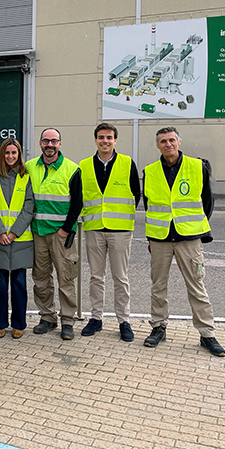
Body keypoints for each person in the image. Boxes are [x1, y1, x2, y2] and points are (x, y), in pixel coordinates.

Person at [142, 126, 225, 357]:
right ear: (157, 145)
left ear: (179, 142)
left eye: (171, 140)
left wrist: (194, 227)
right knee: (158, 286)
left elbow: (207, 202)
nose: (168, 144)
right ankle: (158, 327)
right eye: (163, 141)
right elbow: (149, 205)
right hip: (160, 238)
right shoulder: (149, 171)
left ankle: (207, 334)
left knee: (197, 286)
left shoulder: (198, 167)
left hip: (188, 238)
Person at [78, 123, 141, 342]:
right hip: (94, 228)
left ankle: (124, 321)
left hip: (120, 230)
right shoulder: (84, 166)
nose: (105, 141)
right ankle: (96, 318)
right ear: (95, 139)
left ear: (115, 140)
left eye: (109, 137)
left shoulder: (127, 163)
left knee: (120, 278)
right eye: (101, 137)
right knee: (96, 277)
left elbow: (136, 193)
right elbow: (79, 196)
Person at [25, 128, 82, 341]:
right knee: (41, 278)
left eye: (54, 141)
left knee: (67, 277)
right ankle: (47, 317)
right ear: (40, 143)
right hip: (37, 233)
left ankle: (67, 320)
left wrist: (66, 229)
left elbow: (77, 203)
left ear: (60, 144)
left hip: (61, 235)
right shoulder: (30, 167)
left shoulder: (72, 169)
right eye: (46, 141)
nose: (50, 145)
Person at [0, 138, 34, 339]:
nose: (10, 156)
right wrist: (1, 233)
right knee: (0, 286)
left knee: (19, 285)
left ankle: (19, 323)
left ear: (19, 155)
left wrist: (14, 232)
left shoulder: (26, 177)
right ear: (1, 155)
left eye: (14, 153)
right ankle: (0, 323)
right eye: (7, 153)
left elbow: (28, 207)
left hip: (20, 240)